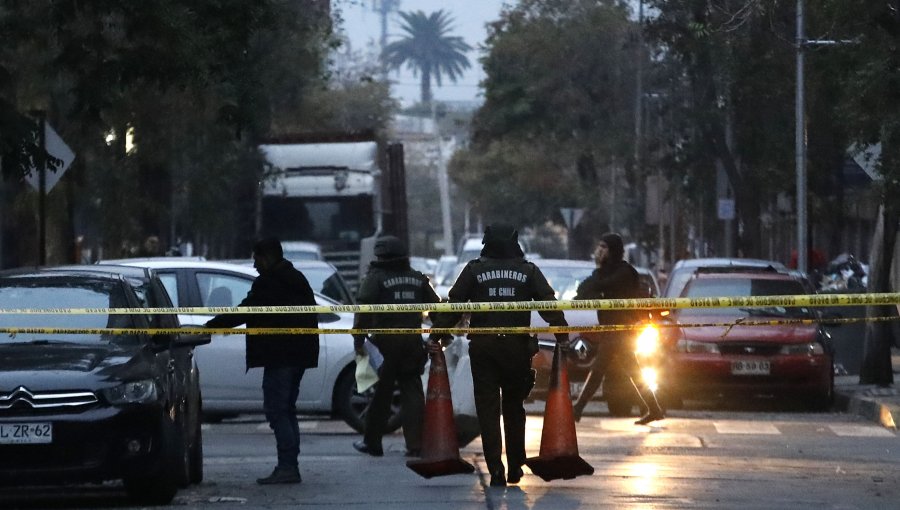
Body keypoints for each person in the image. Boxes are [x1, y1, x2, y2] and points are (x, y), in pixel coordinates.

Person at [429, 223, 570, 487]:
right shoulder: (528, 270)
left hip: (484, 349)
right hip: (517, 349)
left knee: (488, 409)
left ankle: (496, 468)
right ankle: (516, 465)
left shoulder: (474, 270)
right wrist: (563, 336)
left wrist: (436, 335)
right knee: (515, 408)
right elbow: (548, 304)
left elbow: (454, 306)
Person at [204, 237, 319, 484]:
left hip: (280, 357)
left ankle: (287, 466)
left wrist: (210, 326)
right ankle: (290, 464)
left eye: (256, 259)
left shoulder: (269, 283)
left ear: (266, 257)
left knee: (278, 411)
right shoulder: (296, 278)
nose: (255, 265)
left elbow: (247, 310)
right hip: (298, 355)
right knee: (287, 410)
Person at [351, 236, 441, 457]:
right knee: (413, 394)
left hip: (384, 344)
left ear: (380, 255)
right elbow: (437, 311)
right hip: (412, 343)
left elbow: (363, 310)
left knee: (381, 395)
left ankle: (373, 443)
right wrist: (438, 337)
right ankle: (416, 444)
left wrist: (358, 339)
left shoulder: (375, 278)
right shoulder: (418, 279)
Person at [571, 233, 664, 426]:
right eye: (599, 247)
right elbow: (584, 291)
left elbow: (601, 284)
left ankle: (577, 409)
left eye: (604, 247)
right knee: (632, 370)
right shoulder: (604, 271)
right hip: (611, 328)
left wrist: (597, 277)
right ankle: (654, 409)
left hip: (622, 329)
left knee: (599, 368)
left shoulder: (624, 271)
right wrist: (596, 278)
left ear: (612, 250)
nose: (599, 251)